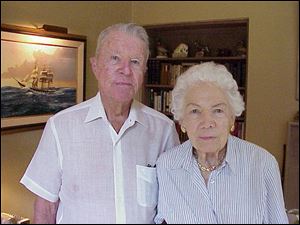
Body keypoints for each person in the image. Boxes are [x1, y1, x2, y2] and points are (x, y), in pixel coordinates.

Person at [20, 23, 180, 224]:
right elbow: (45, 209)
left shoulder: (163, 130)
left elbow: (174, 206)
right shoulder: (60, 127)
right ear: (95, 66)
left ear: (144, 71)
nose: (125, 70)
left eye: (135, 62)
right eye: (115, 59)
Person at [154, 62, 289, 224]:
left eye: (218, 110)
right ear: (182, 121)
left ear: (232, 119)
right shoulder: (167, 166)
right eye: (195, 111)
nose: (207, 122)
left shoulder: (262, 164)